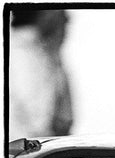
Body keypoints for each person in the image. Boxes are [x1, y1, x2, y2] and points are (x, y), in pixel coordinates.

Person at [9, 9, 73, 140]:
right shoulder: (22, 56)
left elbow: (65, 121)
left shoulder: (48, 54)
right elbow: (41, 126)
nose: (67, 19)